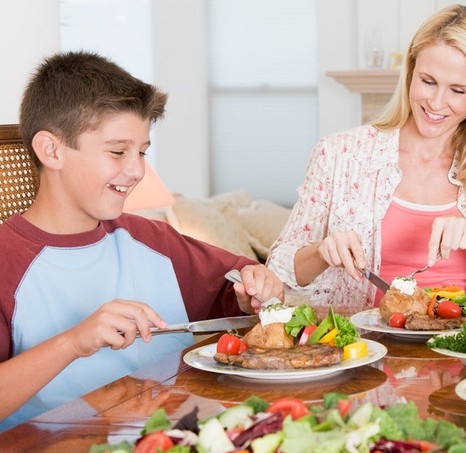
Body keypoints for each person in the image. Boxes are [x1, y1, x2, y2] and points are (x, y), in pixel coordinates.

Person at [0, 51, 285, 431]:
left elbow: (239, 282)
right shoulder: (7, 261)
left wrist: (251, 289)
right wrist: (73, 343)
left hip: (184, 440)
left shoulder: (153, 241)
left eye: (142, 152)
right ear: (52, 150)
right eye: (118, 151)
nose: (137, 170)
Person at [267, 5, 466, 308]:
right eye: (428, 81)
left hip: (461, 347)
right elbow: (278, 269)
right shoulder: (339, 155)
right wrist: (321, 252)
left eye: (457, 90)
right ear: (410, 73)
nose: (436, 103)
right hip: (363, 347)